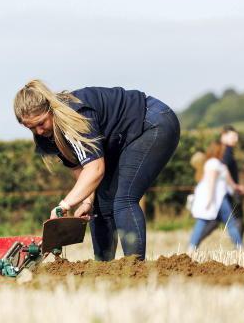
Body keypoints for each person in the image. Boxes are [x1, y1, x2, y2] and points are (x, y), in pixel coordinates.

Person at [14, 81, 180, 261]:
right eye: (31, 128)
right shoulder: (48, 136)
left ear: (50, 110)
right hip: (123, 140)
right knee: (99, 207)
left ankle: (135, 270)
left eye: (41, 123)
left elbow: (96, 169)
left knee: (124, 199)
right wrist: (86, 202)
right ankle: (102, 267)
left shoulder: (75, 114)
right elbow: (81, 167)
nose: (38, 131)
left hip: (152, 122)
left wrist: (64, 205)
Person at [189, 140, 244, 250]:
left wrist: (238, 188)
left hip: (219, 198)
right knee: (230, 223)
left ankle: (192, 247)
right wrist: (209, 200)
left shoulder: (219, 164)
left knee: (203, 222)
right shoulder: (213, 163)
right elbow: (211, 182)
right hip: (217, 198)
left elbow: (230, 183)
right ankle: (240, 247)